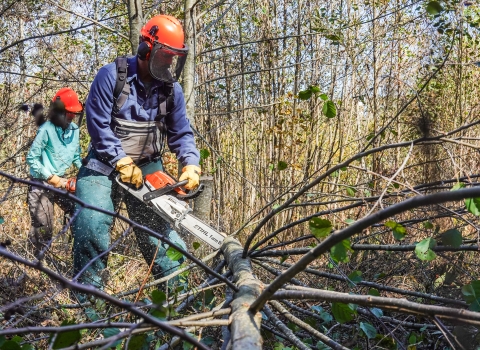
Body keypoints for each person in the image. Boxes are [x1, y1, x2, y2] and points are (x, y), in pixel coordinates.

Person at [71, 15, 201, 292]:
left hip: (148, 166)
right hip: (103, 164)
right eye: (165, 55)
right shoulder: (112, 77)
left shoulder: (171, 90)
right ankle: (88, 295)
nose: (169, 62)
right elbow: (98, 126)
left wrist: (190, 164)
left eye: (174, 57)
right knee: (91, 223)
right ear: (146, 49)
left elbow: (181, 132)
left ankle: (178, 297)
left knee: (163, 237)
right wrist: (120, 160)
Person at [26, 88, 83, 256]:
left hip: (62, 182)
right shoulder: (47, 129)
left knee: (80, 212)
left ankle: (77, 255)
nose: (72, 116)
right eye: (69, 113)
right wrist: (50, 177)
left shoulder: (74, 130)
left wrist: (85, 173)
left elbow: (77, 157)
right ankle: (35, 261)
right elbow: (32, 159)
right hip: (41, 182)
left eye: (75, 113)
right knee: (44, 227)